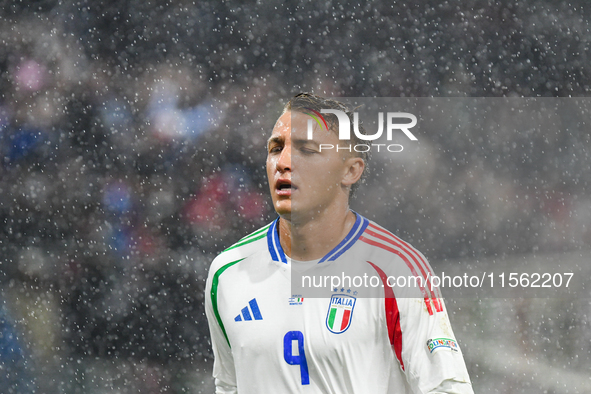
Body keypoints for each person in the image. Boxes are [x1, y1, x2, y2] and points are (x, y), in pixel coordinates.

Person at [205, 93, 474, 393]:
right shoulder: (228, 272)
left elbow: (447, 388)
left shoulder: (397, 269)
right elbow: (229, 386)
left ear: (350, 171)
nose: (283, 163)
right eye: (276, 148)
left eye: (306, 150)